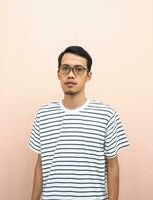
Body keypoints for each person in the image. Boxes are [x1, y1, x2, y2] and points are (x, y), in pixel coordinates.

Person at [28, 46, 130, 200]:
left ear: (88, 76)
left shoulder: (107, 114)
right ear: (58, 73)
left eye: (79, 69)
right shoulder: (43, 114)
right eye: (65, 68)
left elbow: (112, 165)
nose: (70, 74)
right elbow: (40, 164)